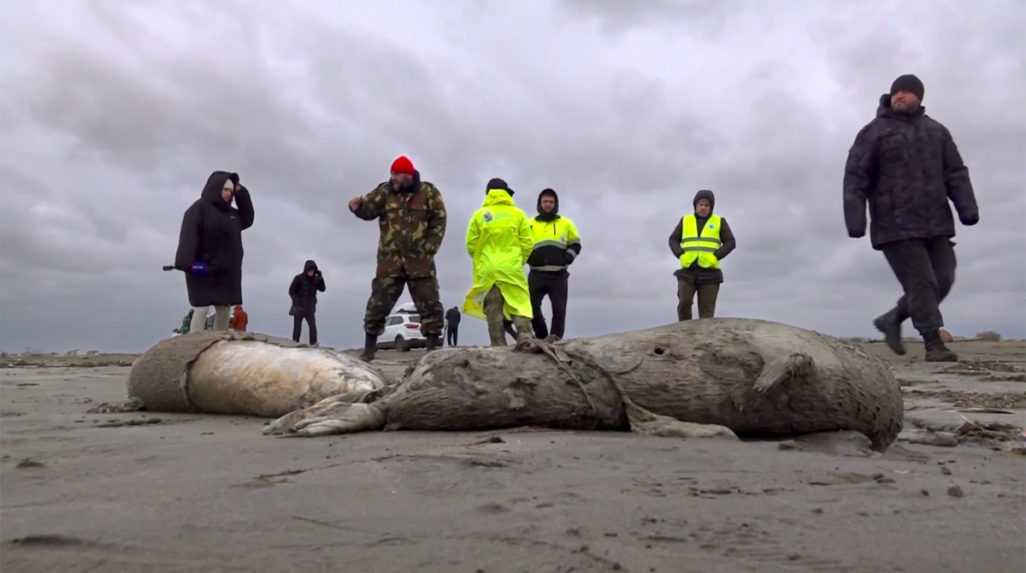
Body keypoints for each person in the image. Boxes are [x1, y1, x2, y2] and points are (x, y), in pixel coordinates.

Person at [844, 74, 978, 362]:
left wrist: (967, 208)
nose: (900, 96)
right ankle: (933, 342)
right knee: (922, 283)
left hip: (936, 222)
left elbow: (955, 172)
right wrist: (856, 219)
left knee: (943, 278)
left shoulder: (937, 132)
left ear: (919, 97)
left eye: (906, 92)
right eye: (896, 92)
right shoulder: (874, 132)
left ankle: (892, 318)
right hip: (894, 225)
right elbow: (855, 177)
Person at [349, 155, 446, 361]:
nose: (394, 178)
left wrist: (429, 248)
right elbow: (369, 211)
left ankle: (431, 348)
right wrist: (356, 207)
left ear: (409, 175)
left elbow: (439, 219)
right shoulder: (384, 191)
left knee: (429, 303)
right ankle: (369, 349)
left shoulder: (429, 192)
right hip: (390, 260)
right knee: (378, 303)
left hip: (420, 261)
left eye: (398, 174)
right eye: (393, 174)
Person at [175, 171, 254, 333]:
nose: (228, 194)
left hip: (226, 273)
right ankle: (193, 344)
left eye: (231, 191)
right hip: (202, 270)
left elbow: (248, 217)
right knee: (202, 308)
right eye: (226, 189)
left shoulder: (232, 214)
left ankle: (219, 344)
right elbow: (185, 249)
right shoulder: (198, 209)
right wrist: (198, 268)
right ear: (215, 187)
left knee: (224, 310)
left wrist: (241, 191)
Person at [463, 178, 535, 348]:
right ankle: (524, 335)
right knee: (519, 302)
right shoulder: (518, 214)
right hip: (511, 267)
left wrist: (482, 260)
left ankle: (498, 344)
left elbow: (470, 245)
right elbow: (528, 243)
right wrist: (519, 260)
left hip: (488, 269)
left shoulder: (479, 215)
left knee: (493, 308)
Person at [668, 189, 736, 320]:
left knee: (706, 314)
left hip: (710, 272)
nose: (703, 207)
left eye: (707, 205)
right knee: (684, 302)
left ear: (711, 207)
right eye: (701, 204)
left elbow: (731, 242)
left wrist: (715, 256)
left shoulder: (719, 221)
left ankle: (704, 338)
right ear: (695, 206)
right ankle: (684, 331)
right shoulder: (685, 220)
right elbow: (673, 240)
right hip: (688, 270)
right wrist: (680, 254)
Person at [527, 188, 582, 341]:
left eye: (551, 202)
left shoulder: (566, 223)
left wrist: (568, 257)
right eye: (545, 201)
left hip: (559, 275)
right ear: (539, 203)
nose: (548, 204)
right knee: (531, 308)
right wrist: (529, 257)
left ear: (555, 204)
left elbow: (576, 244)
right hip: (536, 274)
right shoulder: (528, 223)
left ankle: (555, 339)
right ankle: (542, 337)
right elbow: (520, 245)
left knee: (559, 310)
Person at [289, 260, 326, 345]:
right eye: (309, 270)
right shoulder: (298, 278)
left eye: (313, 270)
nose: (311, 272)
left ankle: (313, 345)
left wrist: (321, 278)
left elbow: (323, 289)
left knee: (313, 327)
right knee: (297, 328)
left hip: (310, 309)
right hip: (299, 308)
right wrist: (296, 301)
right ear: (306, 270)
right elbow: (291, 291)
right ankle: (295, 344)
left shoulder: (316, 279)